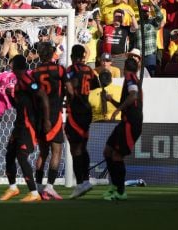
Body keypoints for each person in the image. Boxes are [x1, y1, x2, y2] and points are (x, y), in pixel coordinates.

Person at [0, 54, 51, 202]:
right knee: (9, 155)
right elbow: (18, 106)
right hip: (19, 124)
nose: (10, 67)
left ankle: (34, 193)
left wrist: (46, 120)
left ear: (16, 66)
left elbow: (43, 95)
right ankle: (13, 187)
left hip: (29, 125)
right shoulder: (18, 83)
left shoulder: (28, 80)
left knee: (22, 156)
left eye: (11, 64)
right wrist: (9, 96)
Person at [102, 57, 143, 201]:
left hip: (131, 123)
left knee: (117, 156)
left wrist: (117, 110)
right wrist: (112, 101)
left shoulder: (130, 78)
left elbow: (133, 95)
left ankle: (120, 191)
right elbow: (129, 100)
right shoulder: (130, 78)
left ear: (125, 68)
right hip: (126, 122)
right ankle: (114, 187)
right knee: (108, 151)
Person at [32, 42, 67, 200]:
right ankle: (50, 187)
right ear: (53, 53)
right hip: (54, 115)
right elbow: (68, 87)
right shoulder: (60, 70)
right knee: (56, 151)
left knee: (43, 152)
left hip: (39, 116)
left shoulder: (34, 73)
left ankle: (38, 188)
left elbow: (32, 90)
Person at [65, 44, 95, 199]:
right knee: (83, 146)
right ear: (83, 56)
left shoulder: (70, 70)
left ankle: (80, 185)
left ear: (71, 56)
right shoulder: (89, 70)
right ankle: (86, 180)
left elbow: (70, 87)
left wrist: (68, 98)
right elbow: (96, 84)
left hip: (75, 111)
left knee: (75, 149)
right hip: (87, 111)